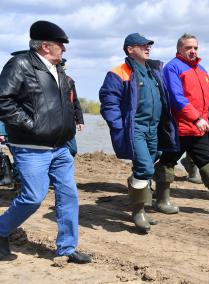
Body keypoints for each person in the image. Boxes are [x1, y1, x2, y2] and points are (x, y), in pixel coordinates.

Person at [0, 20, 91, 263]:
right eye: (61, 44)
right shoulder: (20, 64)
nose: (64, 49)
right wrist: (31, 125)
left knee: (69, 195)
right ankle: (1, 230)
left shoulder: (58, 69)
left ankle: (67, 248)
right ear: (44, 46)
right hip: (30, 147)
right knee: (33, 197)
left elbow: (66, 104)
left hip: (59, 147)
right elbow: (3, 101)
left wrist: (69, 126)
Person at [154, 33, 209, 215]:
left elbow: (206, 100)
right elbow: (176, 98)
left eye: (195, 47)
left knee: (208, 161)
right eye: (188, 48)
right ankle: (161, 201)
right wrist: (196, 118)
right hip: (178, 127)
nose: (193, 51)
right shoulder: (173, 67)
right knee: (167, 162)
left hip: (198, 128)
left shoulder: (202, 70)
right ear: (179, 49)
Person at [99, 33, 178, 233]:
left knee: (147, 165)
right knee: (144, 168)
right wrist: (118, 126)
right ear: (130, 49)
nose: (147, 47)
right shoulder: (119, 72)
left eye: (149, 45)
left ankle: (140, 204)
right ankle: (138, 213)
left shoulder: (153, 70)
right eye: (142, 45)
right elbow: (109, 102)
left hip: (155, 128)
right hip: (135, 128)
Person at [61, 59, 85, 157]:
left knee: (72, 149)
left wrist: (80, 121)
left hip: (68, 122)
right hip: (53, 121)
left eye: (63, 66)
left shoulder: (69, 81)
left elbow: (75, 101)